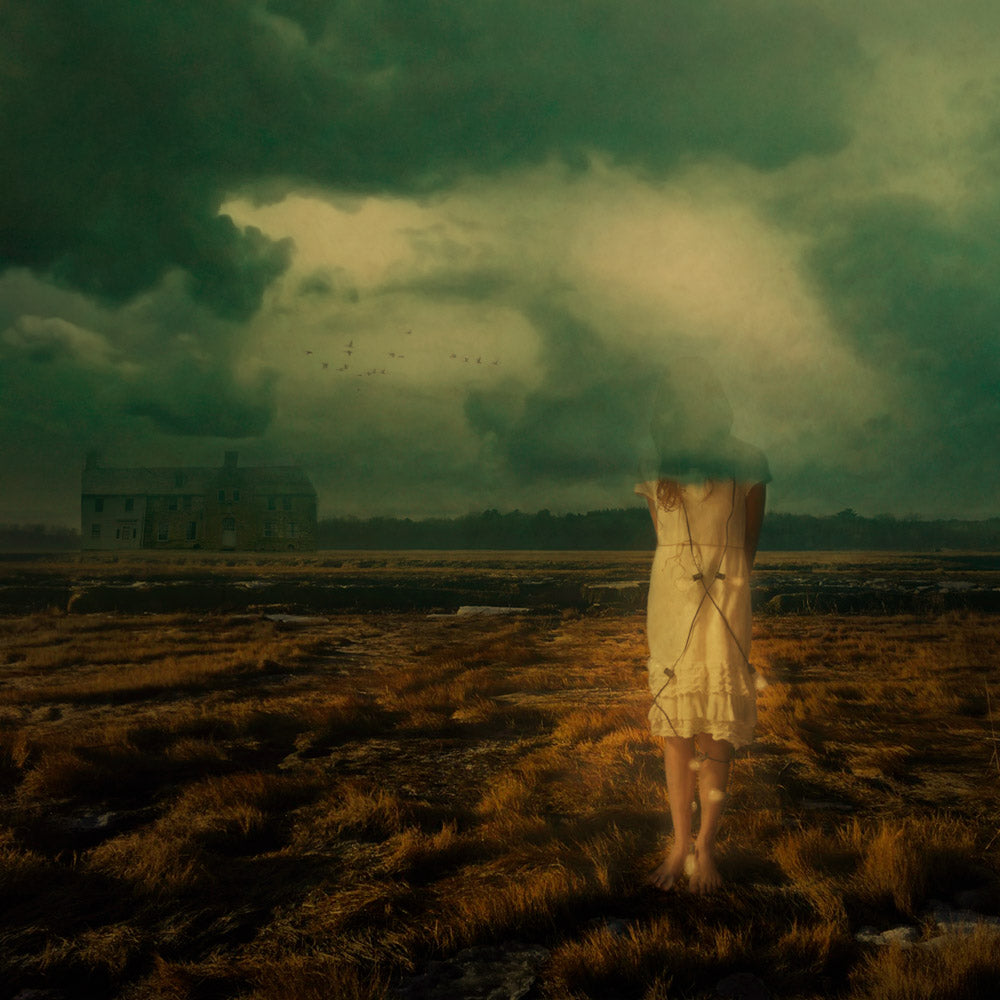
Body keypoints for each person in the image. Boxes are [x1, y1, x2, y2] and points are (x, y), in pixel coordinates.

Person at [634, 359, 768, 893]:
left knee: (717, 728)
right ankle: (677, 845)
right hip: (671, 601)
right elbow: (664, 543)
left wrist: (722, 589)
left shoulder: (749, 461)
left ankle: (705, 851)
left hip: (726, 598)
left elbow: (748, 545)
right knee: (676, 732)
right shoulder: (653, 465)